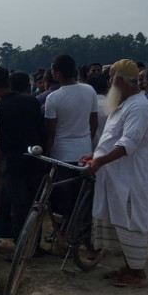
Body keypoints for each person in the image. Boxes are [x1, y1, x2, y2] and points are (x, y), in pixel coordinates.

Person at [87, 59, 148, 287]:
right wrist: (96, 156)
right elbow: (111, 139)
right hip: (115, 176)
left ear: (121, 80)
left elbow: (128, 143)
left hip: (130, 179)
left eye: (111, 77)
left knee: (131, 223)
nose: (108, 82)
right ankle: (128, 267)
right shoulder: (123, 104)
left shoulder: (138, 107)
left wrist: (101, 160)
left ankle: (138, 275)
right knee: (119, 223)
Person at [0, 67, 45, 253]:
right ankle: (35, 244)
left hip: (12, 162)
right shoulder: (31, 101)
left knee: (18, 207)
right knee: (36, 204)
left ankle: (21, 247)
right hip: (36, 159)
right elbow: (41, 129)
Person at [44, 54, 99, 222]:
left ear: (58, 73)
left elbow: (51, 131)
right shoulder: (89, 90)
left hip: (62, 155)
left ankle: (63, 230)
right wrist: (86, 140)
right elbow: (94, 122)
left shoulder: (53, 97)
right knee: (81, 198)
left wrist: (47, 153)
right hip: (84, 152)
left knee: (63, 201)